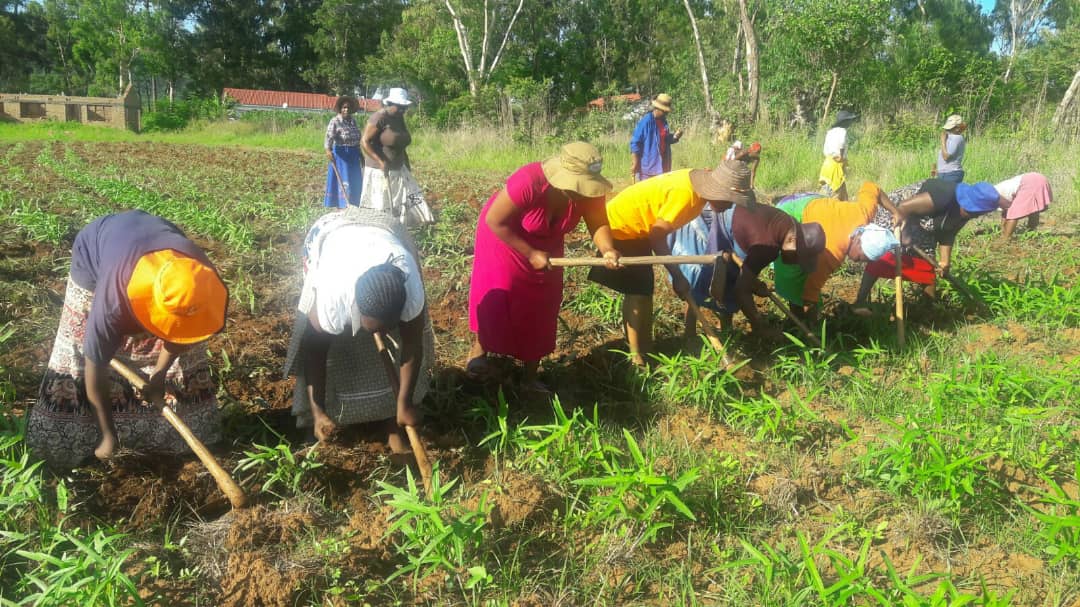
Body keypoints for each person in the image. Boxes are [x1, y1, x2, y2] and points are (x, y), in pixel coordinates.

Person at [26, 211, 228, 468]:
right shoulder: (112, 303)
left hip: (148, 245)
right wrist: (108, 435)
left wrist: (159, 374)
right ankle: (88, 437)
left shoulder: (198, 277)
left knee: (189, 350)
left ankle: (164, 438)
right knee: (77, 350)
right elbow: (94, 365)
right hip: (96, 250)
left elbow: (183, 332)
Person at [467, 142, 619, 393]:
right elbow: (495, 219)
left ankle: (529, 376)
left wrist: (607, 249)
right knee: (500, 291)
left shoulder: (590, 190)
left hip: (547, 241)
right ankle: (480, 351)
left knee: (543, 302)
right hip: (505, 235)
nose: (583, 193)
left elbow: (598, 222)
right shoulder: (529, 180)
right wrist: (529, 253)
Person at [283, 207, 434, 451]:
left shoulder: (411, 292)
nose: (383, 333)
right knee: (335, 343)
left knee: (393, 338)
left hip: (384, 232)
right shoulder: (332, 296)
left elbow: (412, 345)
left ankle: (392, 415)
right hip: (331, 236)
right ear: (357, 308)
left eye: (391, 324)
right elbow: (314, 351)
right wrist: (318, 410)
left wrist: (405, 403)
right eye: (377, 325)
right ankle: (315, 420)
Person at [589, 160, 756, 365]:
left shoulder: (698, 187)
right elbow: (657, 235)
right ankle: (636, 358)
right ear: (718, 191)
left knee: (644, 291)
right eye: (730, 200)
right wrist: (677, 276)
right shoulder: (686, 197)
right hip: (620, 229)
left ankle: (647, 348)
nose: (730, 205)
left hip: (638, 228)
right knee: (637, 293)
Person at [853, 179, 1004, 310]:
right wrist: (904, 236)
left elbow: (948, 232)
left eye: (977, 214)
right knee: (883, 255)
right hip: (897, 214)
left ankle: (929, 309)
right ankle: (860, 302)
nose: (974, 216)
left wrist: (945, 261)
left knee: (927, 268)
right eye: (973, 212)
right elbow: (904, 207)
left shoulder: (966, 213)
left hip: (922, 227)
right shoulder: (943, 195)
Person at [771, 182, 901, 317]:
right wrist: (809, 322)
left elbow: (872, 188)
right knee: (793, 275)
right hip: (789, 213)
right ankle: (794, 323)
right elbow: (807, 294)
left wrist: (895, 211)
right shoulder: (831, 253)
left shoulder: (863, 213)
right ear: (858, 240)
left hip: (810, 201)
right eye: (861, 257)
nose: (858, 262)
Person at [359, 87, 434, 226]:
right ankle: (382, 226)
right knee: (382, 202)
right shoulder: (379, 117)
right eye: (400, 107)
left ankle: (403, 225)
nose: (403, 110)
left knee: (406, 198)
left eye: (404, 107)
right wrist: (380, 160)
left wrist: (406, 163)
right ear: (391, 104)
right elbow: (364, 141)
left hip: (399, 167)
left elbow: (401, 143)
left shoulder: (399, 118)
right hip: (379, 169)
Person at [630, 93, 683, 182]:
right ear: (657, 108)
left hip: (662, 167)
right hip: (648, 170)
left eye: (667, 112)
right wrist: (635, 163)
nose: (666, 114)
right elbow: (635, 143)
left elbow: (664, 140)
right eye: (664, 111)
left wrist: (675, 136)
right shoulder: (646, 122)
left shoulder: (663, 122)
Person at [324, 96, 363, 208]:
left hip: (354, 154)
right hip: (342, 155)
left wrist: (360, 153)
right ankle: (342, 205)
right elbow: (328, 137)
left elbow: (356, 139)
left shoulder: (353, 121)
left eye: (348, 108)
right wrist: (328, 150)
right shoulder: (335, 121)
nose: (346, 110)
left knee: (354, 180)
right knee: (344, 180)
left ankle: (354, 204)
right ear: (340, 108)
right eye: (344, 107)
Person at [995, 173, 1052, 240]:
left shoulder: (996, 195)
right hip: (1038, 178)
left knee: (1013, 214)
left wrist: (1003, 234)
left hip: (1030, 182)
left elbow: (1009, 215)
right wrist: (1002, 230)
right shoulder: (998, 190)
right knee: (1034, 209)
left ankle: (1005, 239)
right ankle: (1031, 233)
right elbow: (1005, 213)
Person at [819, 110, 858, 200]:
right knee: (835, 198)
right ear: (844, 122)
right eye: (849, 121)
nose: (850, 123)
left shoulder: (830, 132)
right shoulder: (842, 131)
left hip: (827, 165)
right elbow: (841, 143)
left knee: (842, 197)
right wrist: (840, 155)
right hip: (835, 167)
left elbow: (825, 150)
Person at [933, 115, 966, 183]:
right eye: (947, 129)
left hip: (951, 174)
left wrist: (942, 141)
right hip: (945, 173)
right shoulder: (951, 138)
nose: (947, 131)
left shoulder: (957, 138)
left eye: (949, 129)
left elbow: (946, 157)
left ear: (957, 128)